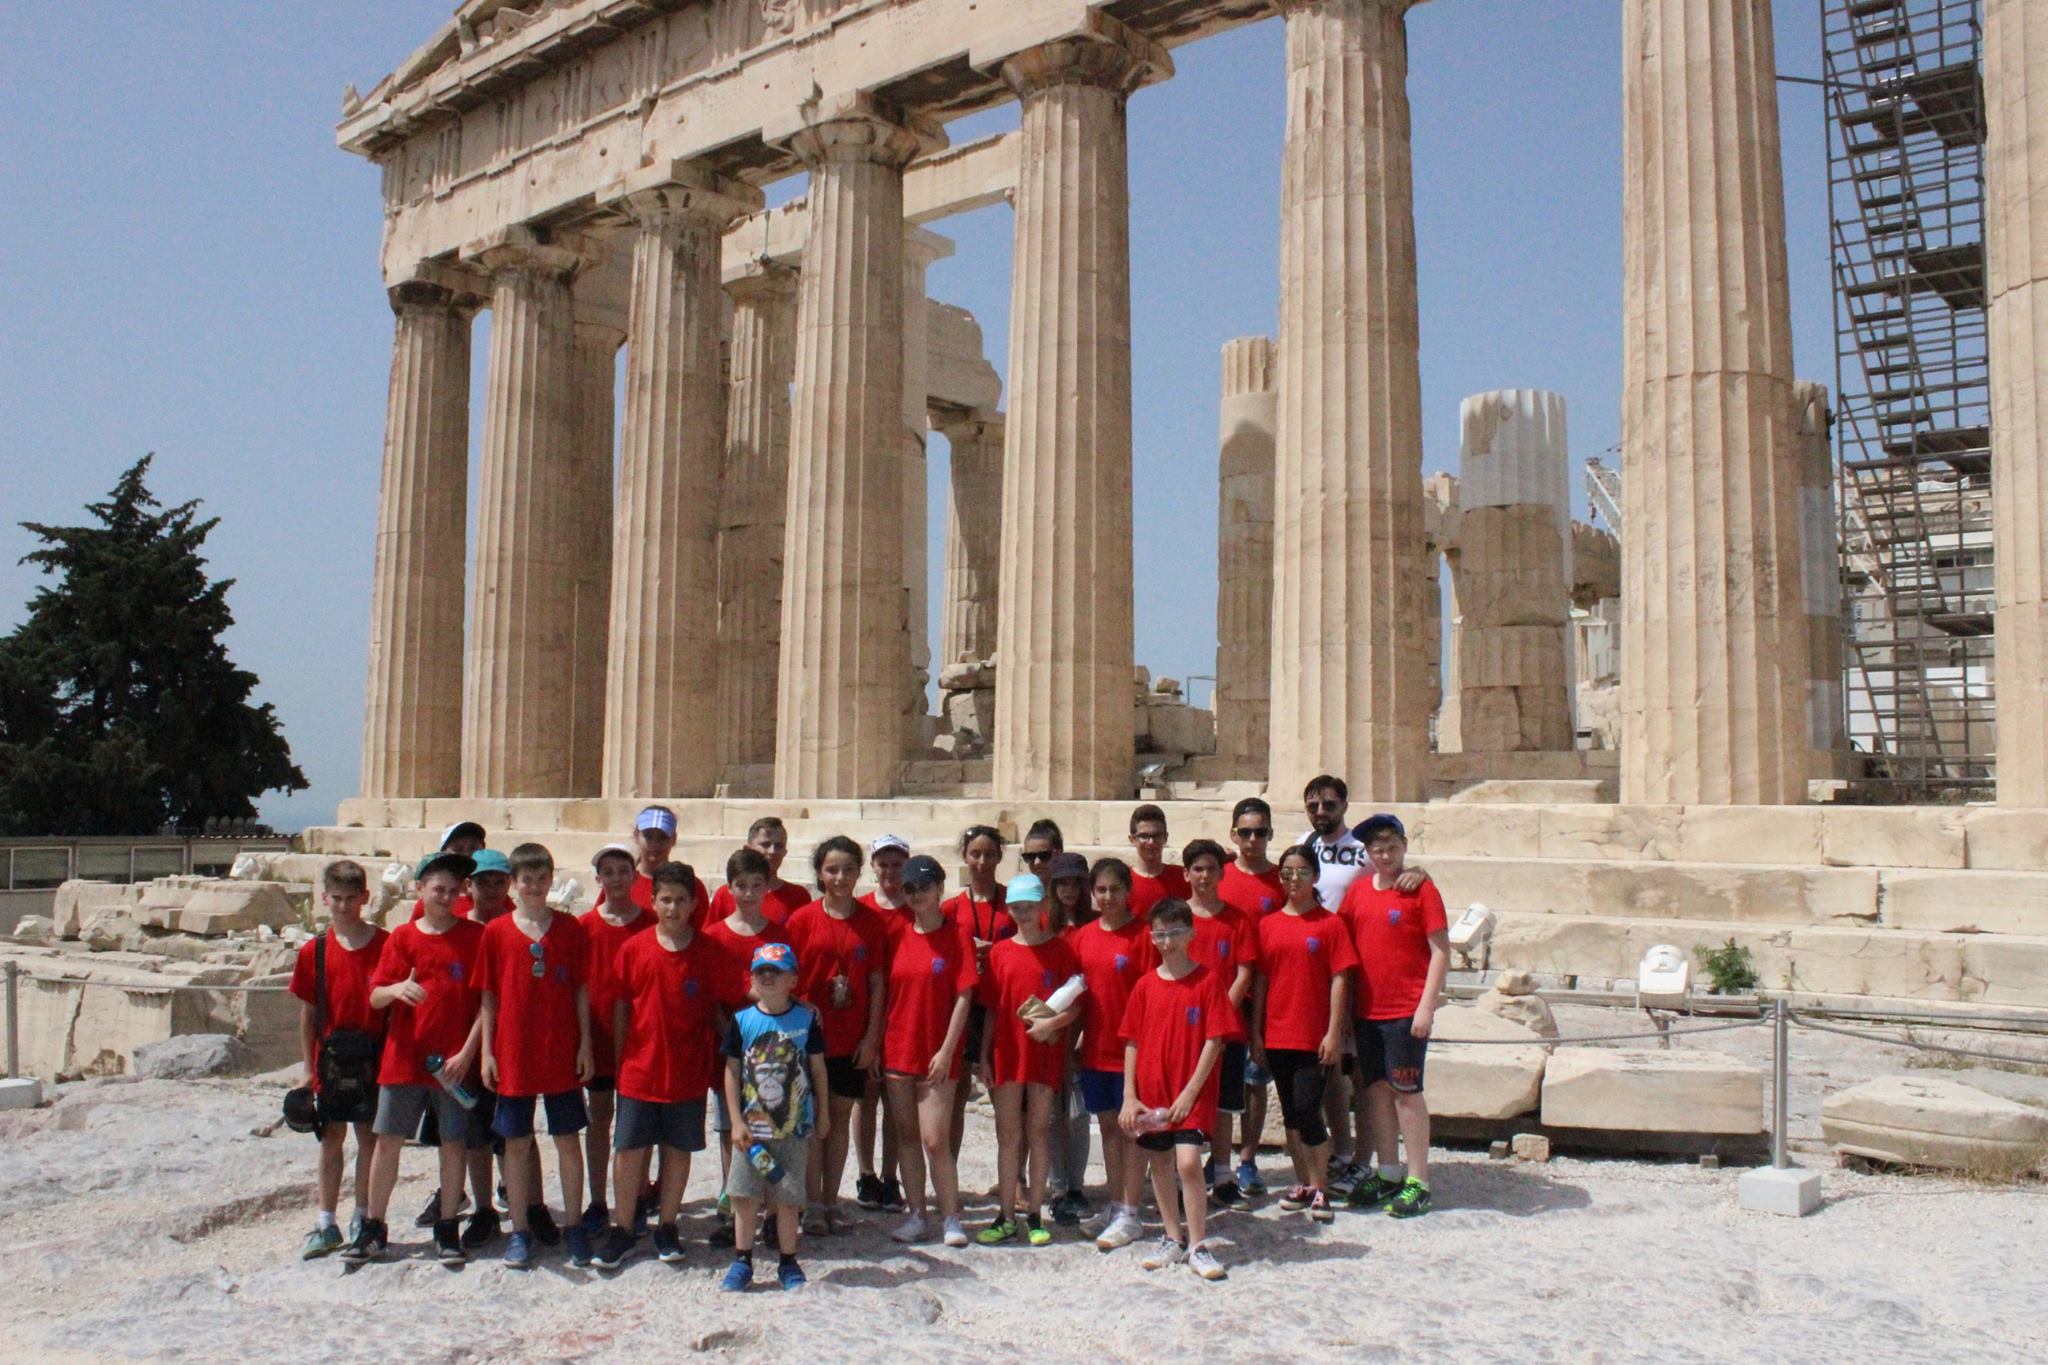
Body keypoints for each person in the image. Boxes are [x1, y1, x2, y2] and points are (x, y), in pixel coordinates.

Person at [352, 850, 487, 1265]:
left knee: (453, 1143)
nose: (445, 897)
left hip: (453, 1063)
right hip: (404, 1057)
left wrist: (467, 1053)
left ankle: (447, 1226)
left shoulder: (475, 936)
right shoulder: (402, 938)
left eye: (452, 890)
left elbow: (487, 1003)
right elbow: (375, 997)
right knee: (388, 1141)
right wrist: (396, 990)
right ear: (420, 889)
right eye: (438, 889)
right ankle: (373, 1225)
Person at [1296, 774, 1428, 1193]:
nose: (1321, 812)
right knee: (1331, 1068)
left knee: (1365, 1076)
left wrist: (1419, 872)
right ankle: (1342, 1150)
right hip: (1318, 970)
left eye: (1329, 804)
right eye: (1313, 805)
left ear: (1344, 806)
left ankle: (1366, 1159)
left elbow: (1394, 873)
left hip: (1359, 972)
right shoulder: (1306, 843)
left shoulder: (1362, 849)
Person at [593, 861, 726, 1271]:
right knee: (629, 1150)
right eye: (665, 899)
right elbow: (621, 1008)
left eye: (681, 900)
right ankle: (622, 1227)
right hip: (640, 1068)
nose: (673, 908)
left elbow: (718, 1011)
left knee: (677, 1150)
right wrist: (622, 1060)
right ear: (652, 902)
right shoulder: (634, 949)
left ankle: (667, 1225)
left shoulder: (708, 952)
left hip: (687, 1070)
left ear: (694, 904)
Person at [476, 842, 595, 1269]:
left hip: (559, 1048)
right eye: (526, 880)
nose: (534, 886)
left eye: (542, 879)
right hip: (514, 1051)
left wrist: (585, 1044)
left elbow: (581, 990)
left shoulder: (569, 928)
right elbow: (488, 996)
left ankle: (574, 1225)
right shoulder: (496, 932)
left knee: (567, 1140)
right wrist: (487, 1052)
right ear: (514, 882)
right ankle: (520, 1230)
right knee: (516, 1142)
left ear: (551, 879)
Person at [1117, 899, 1238, 1282]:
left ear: (1190, 935)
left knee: (1187, 1163)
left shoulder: (1208, 982)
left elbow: (1215, 1041)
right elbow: (1132, 1041)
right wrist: (1129, 1095)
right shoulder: (1144, 985)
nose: (1167, 942)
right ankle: (1172, 1236)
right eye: (1160, 934)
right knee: (1160, 1162)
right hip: (1152, 1091)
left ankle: (1198, 1244)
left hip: (1192, 1094)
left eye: (1174, 933)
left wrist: (1190, 1092)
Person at [1337, 813, 1449, 1219]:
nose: (1384, 856)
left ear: (1403, 846)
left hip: (1405, 1010)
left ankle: (1419, 1180)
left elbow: (1441, 950)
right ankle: (1388, 1171)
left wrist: (1426, 1006)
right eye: (1377, 850)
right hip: (1368, 1010)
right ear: (1368, 853)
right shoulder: (1358, 892)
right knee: (1377, 1092)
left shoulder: (1422, 890)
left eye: (1391, 848)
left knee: (1407, 1093)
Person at [785, 835, 887, 1234]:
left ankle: (831, 1201)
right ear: (819, 873)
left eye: (848, 869)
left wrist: (872, 1037)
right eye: (832, 870)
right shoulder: (801, 920)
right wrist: (801, 1003)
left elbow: (877, 982)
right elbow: (786, 977)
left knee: (840, 1120)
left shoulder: (871, 923)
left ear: (859, 872)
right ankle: (811, 1204)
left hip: (852, 1038)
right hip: (809, 1039)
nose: (840, 877)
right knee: (813, 1123)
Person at [974, 873, 1083, 1246]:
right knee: (1008, 1136)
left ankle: (1035, 1214)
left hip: (1044, 1051)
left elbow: (1075, 1004)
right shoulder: (1000, 952)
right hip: (1006, 1052)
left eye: (1029, 907)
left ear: (1043, 907)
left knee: (1038, 1133)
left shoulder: (1061, 951)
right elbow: (991, 1008)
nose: (1023, 914)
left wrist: (1052, 1023)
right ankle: (1006, 1214)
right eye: (1016, 908)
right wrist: (984, 1056)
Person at [1251, 844, 1358, 1223]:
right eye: (1287, 873)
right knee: (1292, 1115)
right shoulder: (1268, 925)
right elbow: (1261, 981)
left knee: (1309, 1110)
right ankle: (1303, 1182)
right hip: (1277, 1032)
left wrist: (1333, 1032)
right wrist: (1256, 1031)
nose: (1294, 879)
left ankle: (1320, 1185)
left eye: (1302, 872)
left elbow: (1340, 978)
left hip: (1313, 1034)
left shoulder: (1330, 924)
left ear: (1315, 876)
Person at [291, 860, 389, 1260]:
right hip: (330, 1059)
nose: (345, 906)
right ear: (324, 899)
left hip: (372, 1057)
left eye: (351, 898)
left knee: (369, 1137)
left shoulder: (385, 945)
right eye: (337, 898)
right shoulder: (314, 951)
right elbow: (308, 1013)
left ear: (364, 897)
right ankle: (326, 1221)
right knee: (331, 1138)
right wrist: (307, 1069)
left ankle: (362, 1216)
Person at [720, 943, 829, 1293]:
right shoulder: (741, 1021)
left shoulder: (806, 1020)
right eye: (761, 971)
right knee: (744, 1195)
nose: (767, 977)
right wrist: (736, 1121)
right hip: (751, 1130)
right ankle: (742, 1259)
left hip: (793, 1128)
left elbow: (818, 1070)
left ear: (792, 980)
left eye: (776, 971)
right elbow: (732, 1071)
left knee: (788, 1196)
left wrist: (823, 1113)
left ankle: (788, 1259)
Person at [699, 846, 796, 1242]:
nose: (750, 893)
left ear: (767, 887)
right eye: (742, 885)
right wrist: (733, 1044)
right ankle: (734, 1209)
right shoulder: (714, 936)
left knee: (773, 1129)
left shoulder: (779, 934)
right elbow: (713, 998)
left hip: (773, 1051)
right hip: (731, 1048)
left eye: (757, 885)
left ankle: (772, 1211)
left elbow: (787, 989)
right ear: (729, 888)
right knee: (732, 1129)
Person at [880, 855, 977, 1247]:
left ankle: (951, 1217)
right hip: (899, 1046)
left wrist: (948, 1049)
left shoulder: (958, 935)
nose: (917, 894)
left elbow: (965, 995)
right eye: (910, 888)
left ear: (939, 888)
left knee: (935, 1139)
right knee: (906, 1136)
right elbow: (884, 990)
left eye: (924, 886)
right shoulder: (895, 934)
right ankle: (917, 1214)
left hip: (938, 1049)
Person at [1068, 857, 1154, 1251]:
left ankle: (1131, 1213)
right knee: (1107, 1129)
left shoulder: (1143, 935)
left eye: (1115, 889)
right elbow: (1077, 994)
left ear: (1128, 891)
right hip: (1096, 1049)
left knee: (1132, 1131)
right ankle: (1117, 1203)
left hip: (1133, 1051)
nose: (1108, 897)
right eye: (1101, 890)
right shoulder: (1083, 937)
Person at [579, 843, 654, 1237]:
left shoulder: (652, 923)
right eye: (608, 872)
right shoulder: (584, 927)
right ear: (598, 879)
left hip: (641, 1040)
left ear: (635, 876)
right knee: (599, 1119)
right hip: (599, 1036)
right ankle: (597, 1200)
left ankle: (637, 1196)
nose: (617, 879)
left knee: (637, 1125)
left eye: (623, 871)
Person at [1182, 838, 1258, 1205]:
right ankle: (1183, 1178)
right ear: (1186, 874)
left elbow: (1244, 973)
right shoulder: (1176, 919)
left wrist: (1216, 1019)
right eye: (1197, 869)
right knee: (1186, 1099)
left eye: (1211, 869)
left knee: (1225, 1104)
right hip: (1184, 1028)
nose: (1204, 876)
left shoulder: (1237, 919)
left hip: (1226, 1029)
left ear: (1221, 873)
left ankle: (1224, 1175)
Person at [1218, 796, 1283, 1186]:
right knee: (1222, 1077)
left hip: (1266, 993)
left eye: (1260, 832)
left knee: (1255, 1078)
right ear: (1233, 835)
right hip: (1223, 991)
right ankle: (1219, 1159)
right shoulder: (1219, 874)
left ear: (1270, 834)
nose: (1253, 839)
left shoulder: (1282, 880)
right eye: (1245, 832)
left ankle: (1247, 1159)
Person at [943, 825, 1011, 1160]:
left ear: (999, 857)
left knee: (1004, 1094)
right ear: (965, 856)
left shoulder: (1012, 903)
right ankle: (949, 1173)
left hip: (1000, 1002)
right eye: (975, 854)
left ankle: (1013, 1177)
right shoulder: (951, 908)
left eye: (989, 854)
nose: (982, 862)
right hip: (964, 1003)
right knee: (956, 1095)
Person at [851, 834, 909, 1215]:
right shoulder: (862, 911)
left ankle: (891, 1176)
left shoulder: (915, 910)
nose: (889, 870)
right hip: (866, 1014)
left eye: (896, 863)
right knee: (865, 1099)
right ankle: (866, 1173)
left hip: (902, 1014)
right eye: (883, 863)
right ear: (872, 867)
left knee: (895, 1102)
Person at [1042, 851, 1096, 1226]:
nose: (1069, 890)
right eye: (1062, 883)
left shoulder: (1094, 926)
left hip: (1085, 1030)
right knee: (1049, 1116)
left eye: (1076, 882)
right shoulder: (1044, 925)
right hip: (1048, 1030)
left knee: (1076, 1114)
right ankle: (1057, 1186)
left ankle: (1076, 1186)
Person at [706, 816, 813, 926]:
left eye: (779, 846)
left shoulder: (798, 896)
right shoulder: (726, 894)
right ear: (748, 849)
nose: (772, 851)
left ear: (785, 852)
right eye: (765, 845)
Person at [407, 821, 484, 922]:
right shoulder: (431, 902)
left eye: (474, 848)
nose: (467, 854)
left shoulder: (493, 896)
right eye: (458, 848)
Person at [1125, 805, 1189, 919]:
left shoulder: (1182, 877)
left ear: (1165, 837)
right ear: (1132, 839)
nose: (1151, 842)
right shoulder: (1123, 880)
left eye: (1157, 836)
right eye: (1144, 836)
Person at [627, 807, 677, 913]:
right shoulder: (620, 883)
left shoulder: (690, 886)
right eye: (648, 836)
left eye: (662, 837)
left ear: (674, 839)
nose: (655, 844)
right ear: (636, 836)